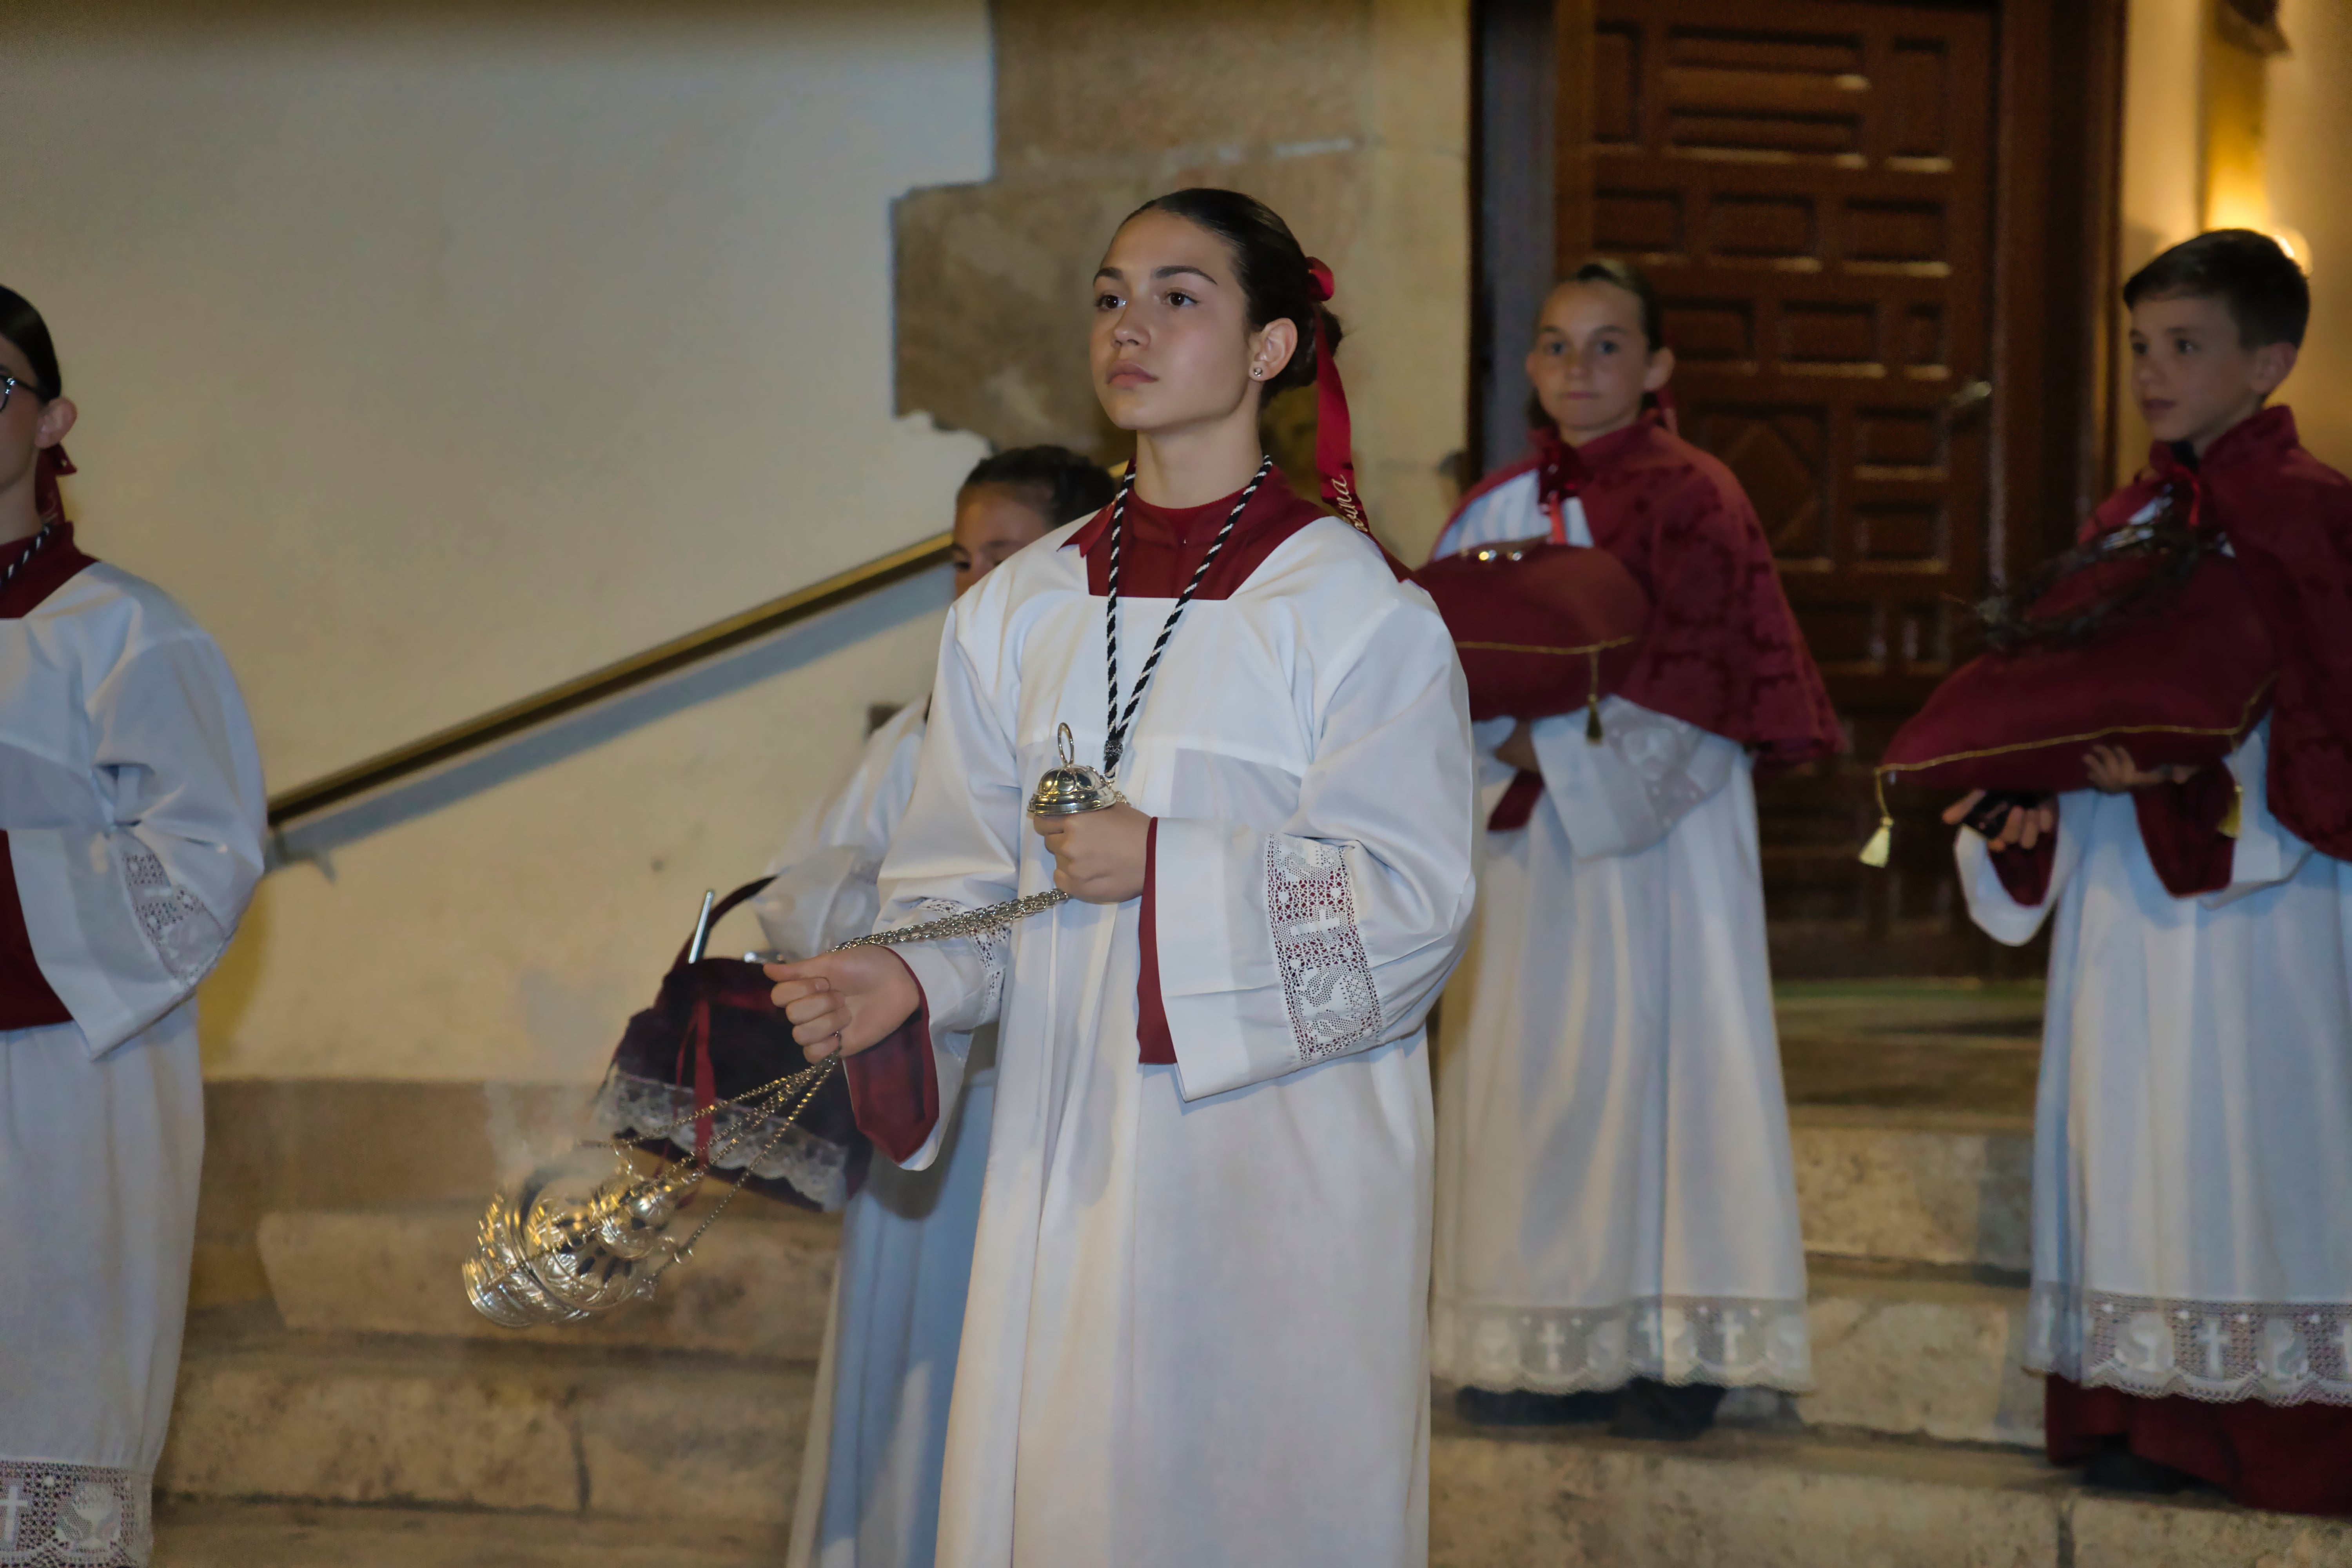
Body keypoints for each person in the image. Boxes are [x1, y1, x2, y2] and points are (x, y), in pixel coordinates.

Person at [768, 188, 1477, 1567]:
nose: (1130, 326)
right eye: (1108, 297)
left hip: (1276, 1159)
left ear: (1272, 350)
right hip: (1066, 1150)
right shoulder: (1014, 611)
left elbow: (1414, 911)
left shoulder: (1356, 612)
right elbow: (966, 884)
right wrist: (903, 973)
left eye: (1178, 296)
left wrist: (1173, 862)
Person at [1946, 230, 2352, 1516]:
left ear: (2270, 359)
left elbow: (2329, 716)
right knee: (2127, 1143)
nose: (2153, 372)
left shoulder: (2319, 515)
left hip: (2270, 906)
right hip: (2123, 891)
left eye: (2185, 347)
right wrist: (2028, 795)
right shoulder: (2126, 518)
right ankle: (2135, 1406)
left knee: (2256, 1147)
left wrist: (2198, 783)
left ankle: (2272, 1431)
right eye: (2140, 347)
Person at [1426, 261, 1839, 1439]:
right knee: (1530, 1083)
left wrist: (1561, 758)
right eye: (1556, 345)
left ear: (1657, 369)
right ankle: (1530, 1343)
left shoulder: (1698, 498)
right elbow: (1423, 676)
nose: (1577, 369)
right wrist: (1497, 744)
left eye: (1608, 347)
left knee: (1659, 1074)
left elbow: (1719, 680)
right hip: (1519, 848)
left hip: (1657, 853)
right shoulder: (1492, 508)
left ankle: (1669, 1352)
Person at [769, 446, 1114, 1568]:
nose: (975, 587)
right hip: (926, 1100)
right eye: (962, 561)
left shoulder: (1114, 716)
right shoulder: (925, 725)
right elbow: (809, 878)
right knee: (919, 1375)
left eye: (1003, 558)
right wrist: (874, 926)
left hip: (1053, 1100)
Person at [0, 286, 267, 1564]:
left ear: (52, 418)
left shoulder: (127, 631)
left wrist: (12, 890)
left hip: (65, 1089)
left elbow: (204, 861)